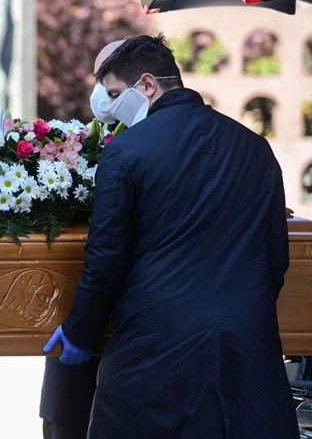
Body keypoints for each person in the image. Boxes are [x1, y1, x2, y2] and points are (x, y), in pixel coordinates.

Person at [43, 34, 298, 437]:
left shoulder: (126, 151)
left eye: (115, 94)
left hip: (156, 350)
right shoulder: (255, 147)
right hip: (247, 345)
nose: (110, 108)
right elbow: (275, 256)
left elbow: (105, 257)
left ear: (147, 84)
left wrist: (80, 332)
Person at [39, 39, 124, 439]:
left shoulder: (152, 148)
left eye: (110, 85)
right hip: (74, 308)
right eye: (98, 81)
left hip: (127, 327)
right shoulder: (82, 141)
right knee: (66, 419)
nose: (101, 93)